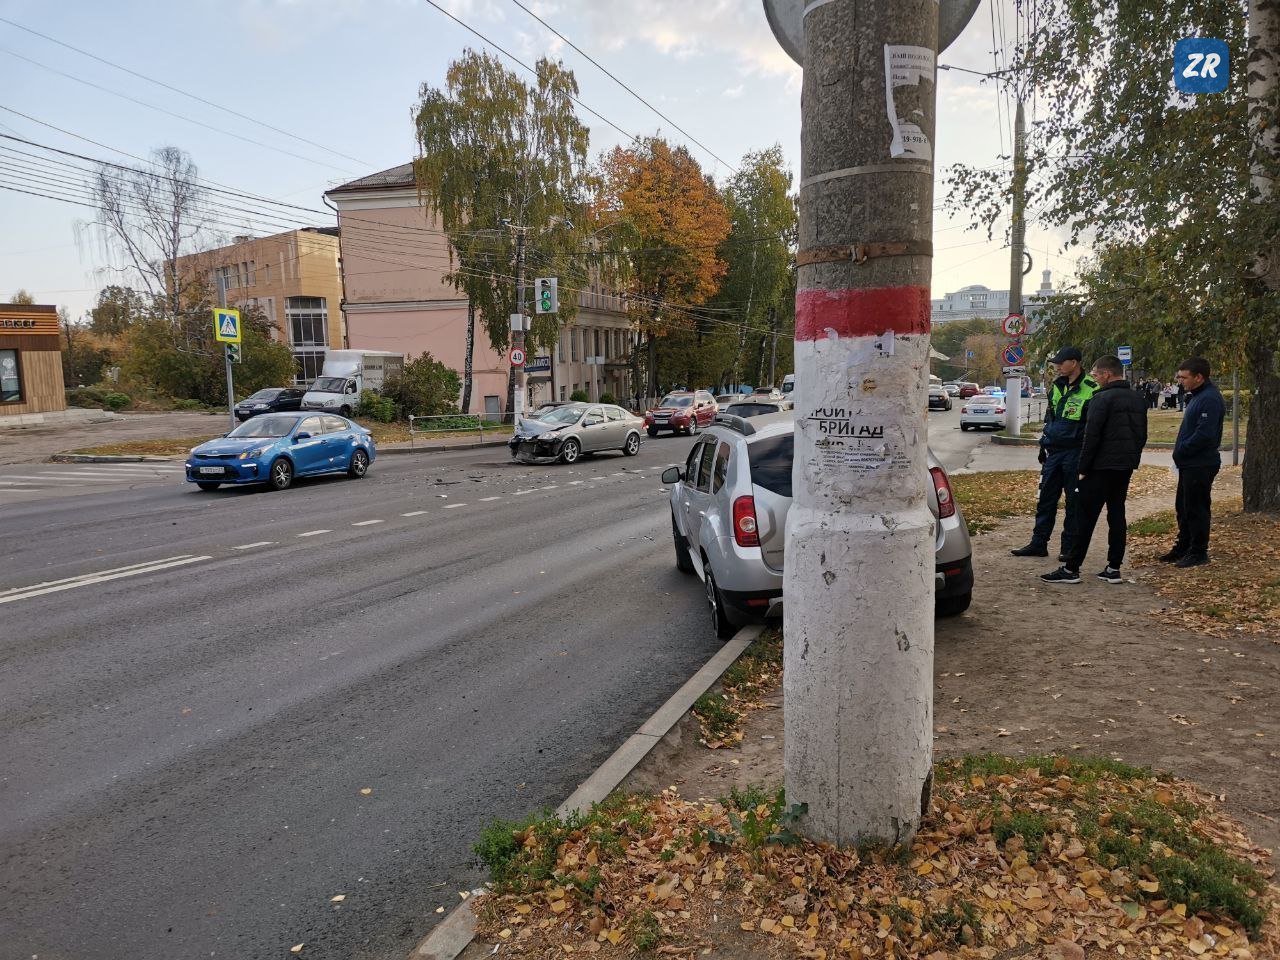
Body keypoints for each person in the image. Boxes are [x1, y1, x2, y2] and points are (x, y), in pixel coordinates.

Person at [1040, 355, 1148, 584]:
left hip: (1099, 467)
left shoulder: (1101, 399)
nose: (1095, 379)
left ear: (1107, 374)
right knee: (1117, 514)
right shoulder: (1137, 399)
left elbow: (1092, 437)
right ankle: (1114, 567)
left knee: (1084, 517)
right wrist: (1132, 459)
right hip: (1124, 467)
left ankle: (1071, 568)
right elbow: (1141, 435)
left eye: (1097, 374)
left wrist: (1083, 467)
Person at [1011, 346, 1098, 561]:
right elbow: (1050, 418)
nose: (1057, 367)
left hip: (1075, 452)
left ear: (1074, 363)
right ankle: (1038, 543)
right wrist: (1043, 444)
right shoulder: (1056, 387)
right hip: (1053, 451)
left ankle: (1068, 548)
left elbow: (1094, 427)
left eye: (1061, 362)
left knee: (1073, 503)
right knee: (1046, 500)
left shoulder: (1092, 388)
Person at [1160, 357, 1226, 568]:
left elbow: (1205, 434)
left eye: (1184, 377)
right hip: (1189, 463)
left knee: (1196, 508)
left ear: (1199, 377)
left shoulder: (1210, 398)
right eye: (1179, 377)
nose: (1180, 381)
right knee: (1184, 507)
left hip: (1200, 463)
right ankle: (1183, 547)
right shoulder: (1197, 396)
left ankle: (1198, 552)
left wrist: (1183, 449)